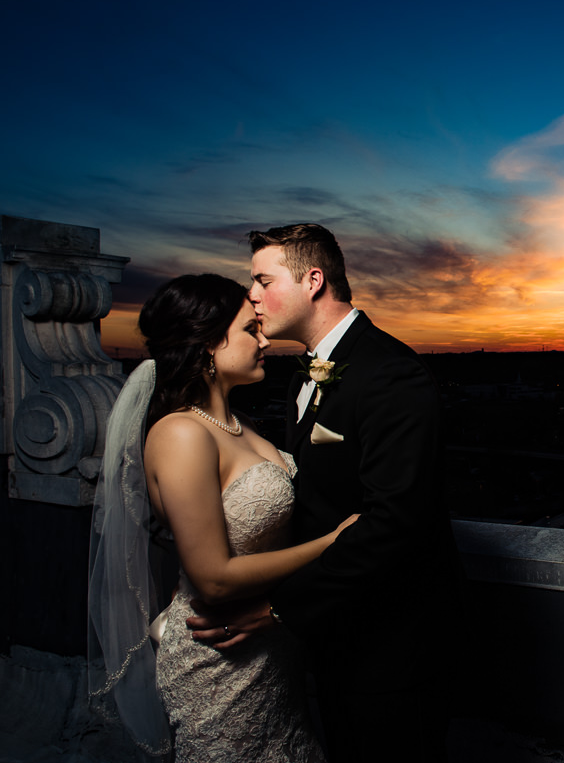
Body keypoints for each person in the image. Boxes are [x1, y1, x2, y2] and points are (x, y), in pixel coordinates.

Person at [186, 223, 463, 763]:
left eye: (263, 280)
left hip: (393, 648)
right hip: (336, 637)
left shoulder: (390, 373)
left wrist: (277, 610)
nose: (252, 295)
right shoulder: (302, 377)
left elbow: (393, 524)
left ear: (313, 280)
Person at [88, 273, 358, 761]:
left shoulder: (240, 425)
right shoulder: (181, 435)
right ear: (209, 344)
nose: (264, 339)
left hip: (272, 655)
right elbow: (211, 580)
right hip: (218, 669)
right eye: (250, 331)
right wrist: (331, 543)